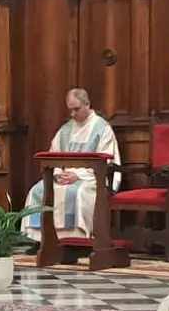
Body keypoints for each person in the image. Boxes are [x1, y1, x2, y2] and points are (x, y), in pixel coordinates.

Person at [21, 88, 120, 242]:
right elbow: (53, 154)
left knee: (77, 193)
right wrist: (58, 173)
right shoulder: (65, 130)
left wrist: (77, 175)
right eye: (70, 110)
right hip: (64, 176)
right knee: (38, 190)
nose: (73, 114)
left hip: (91, 179)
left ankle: (77, 239)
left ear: (87, 104)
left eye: (76, 109)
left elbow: (107, 162)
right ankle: (40, 239)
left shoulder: (102, 129)